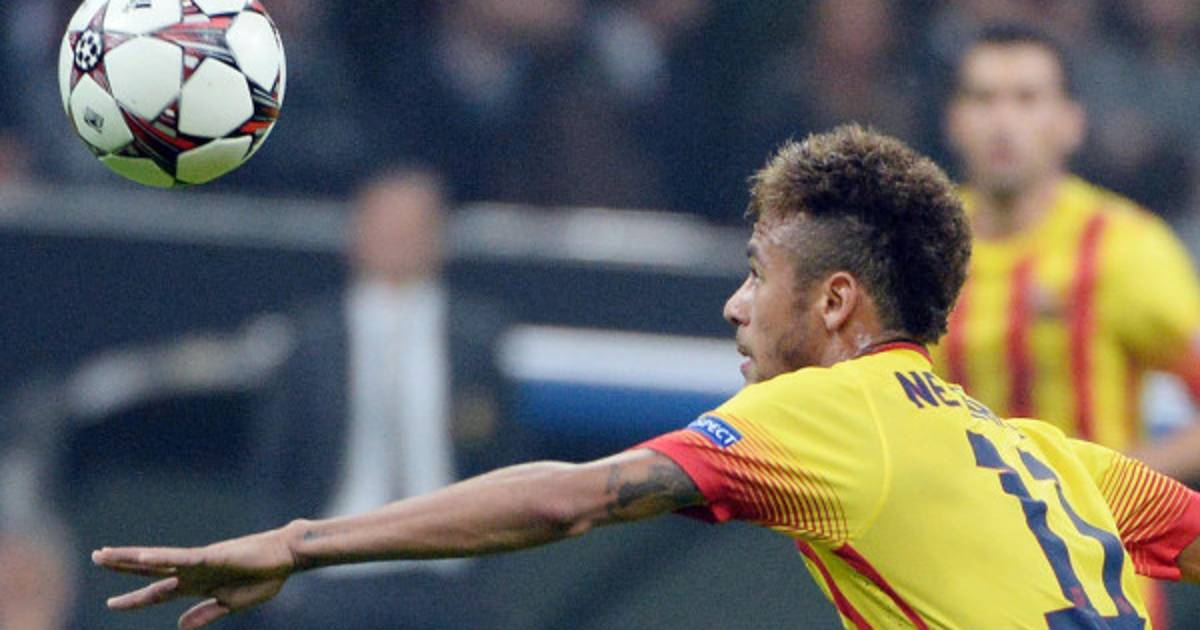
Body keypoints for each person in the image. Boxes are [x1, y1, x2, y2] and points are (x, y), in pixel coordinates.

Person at [93, 126, 1200, 629]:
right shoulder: (1041, 453)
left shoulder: (830, 410)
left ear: (834, 304)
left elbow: (573, 499)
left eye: (756, 272)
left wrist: (299, 543)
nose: (733, 305)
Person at [937, 23, 1200, 626]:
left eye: (1027, 99)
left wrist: (1106, 478)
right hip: (959, 590)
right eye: (984, 98)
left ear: (1070, 123)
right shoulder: (918, 249)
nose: (1003, 121)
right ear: (954, 120)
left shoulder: (1123, 248)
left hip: (1102, 597)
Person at [237, 167, 512, 629]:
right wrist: (281, 576)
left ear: (440, 237)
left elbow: (504, 460)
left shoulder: (477, 339)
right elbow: (274, 465)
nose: (398, 240)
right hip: (331, 569)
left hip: (447, 573)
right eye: (386, 226)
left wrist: (491, 576)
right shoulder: (311, 338)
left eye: (413, 228)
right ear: (356, 234)